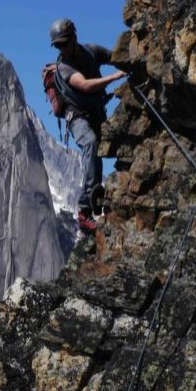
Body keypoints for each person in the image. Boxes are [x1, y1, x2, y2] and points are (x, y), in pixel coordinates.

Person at [49, 18, 127, 232]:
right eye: (58, 45)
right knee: (91, 144)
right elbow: (84, 85)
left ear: (74, 38)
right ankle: (84, 211)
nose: (62, 48)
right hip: (77, 117)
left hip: (96, 111)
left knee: (102, 151)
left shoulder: (91, 51)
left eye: (64, 43)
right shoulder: (63, 67)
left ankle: (97, 201)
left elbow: (115, 57)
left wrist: (129, 63)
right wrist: (114, 76)